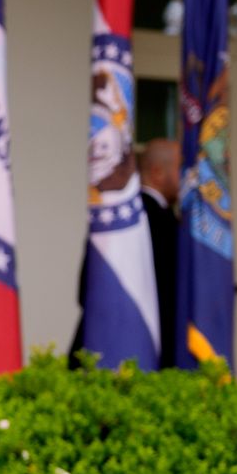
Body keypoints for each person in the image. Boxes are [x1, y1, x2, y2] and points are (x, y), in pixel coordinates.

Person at [70, 138, 178, 368]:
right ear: (157, 172)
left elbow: (84, 290)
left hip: (97, 351)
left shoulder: (115, 217)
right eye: (181, 168)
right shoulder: (166, 226)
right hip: (145, 357)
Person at [138, 138, 181, 369]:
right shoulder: (161, 222)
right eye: (179, 168)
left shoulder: (123, 216)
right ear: (157, 172)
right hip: (153, 350)